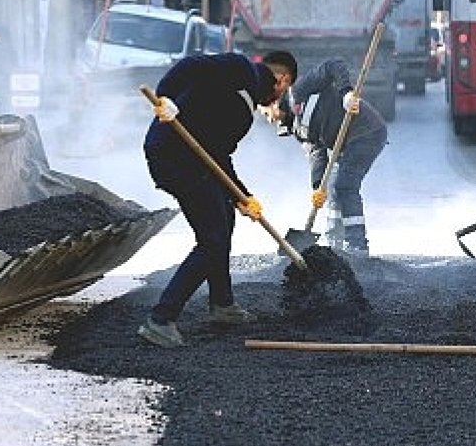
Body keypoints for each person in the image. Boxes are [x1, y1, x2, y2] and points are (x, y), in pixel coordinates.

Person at [137, 50, 298, 348]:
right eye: (284, 91)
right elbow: (191, 64)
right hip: (173, 155)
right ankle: (160, 320)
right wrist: (168, 98)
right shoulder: (242, 70)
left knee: (225, 215)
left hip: (189, 161)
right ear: (282, 79)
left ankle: (222, 304)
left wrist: (242, 196)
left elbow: (218, 156)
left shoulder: (243, 112)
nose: (278, 99)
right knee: (212, 238)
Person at [281, 58, 387, 254]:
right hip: (346, 143)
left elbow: (334, 65)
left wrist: (346, 94)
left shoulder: (302, 87)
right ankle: (334, 241)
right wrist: (317, 186)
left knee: (344, 186)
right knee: (331, 189)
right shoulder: (298, 129)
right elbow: (316, 152)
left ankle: (357, 245)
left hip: (367, 132)